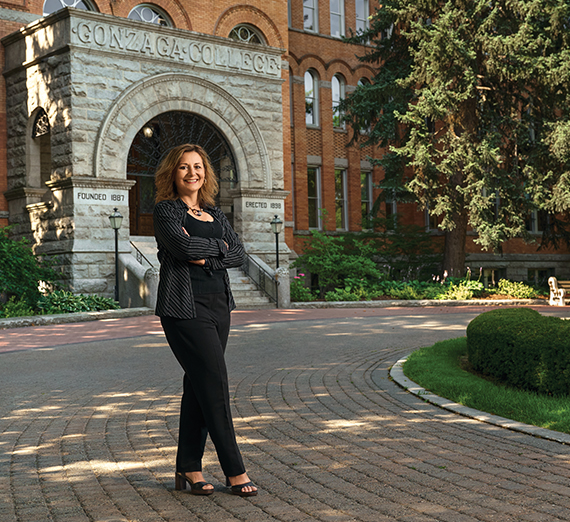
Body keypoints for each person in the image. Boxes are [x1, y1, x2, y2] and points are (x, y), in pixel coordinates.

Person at [153, 143, 257, 497]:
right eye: (184, 166)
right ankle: (235, 471)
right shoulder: (166, 211)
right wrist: (217, 250)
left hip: (218, 306)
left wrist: (206, 254)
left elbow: (238, 253)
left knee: (198, 386)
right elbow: (183, 249)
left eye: (198, 166)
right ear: (173, 172)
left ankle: (188, 467)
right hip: (185, 309)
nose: (192, 172)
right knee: (215, 385)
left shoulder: (215, 213)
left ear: (206, 173)